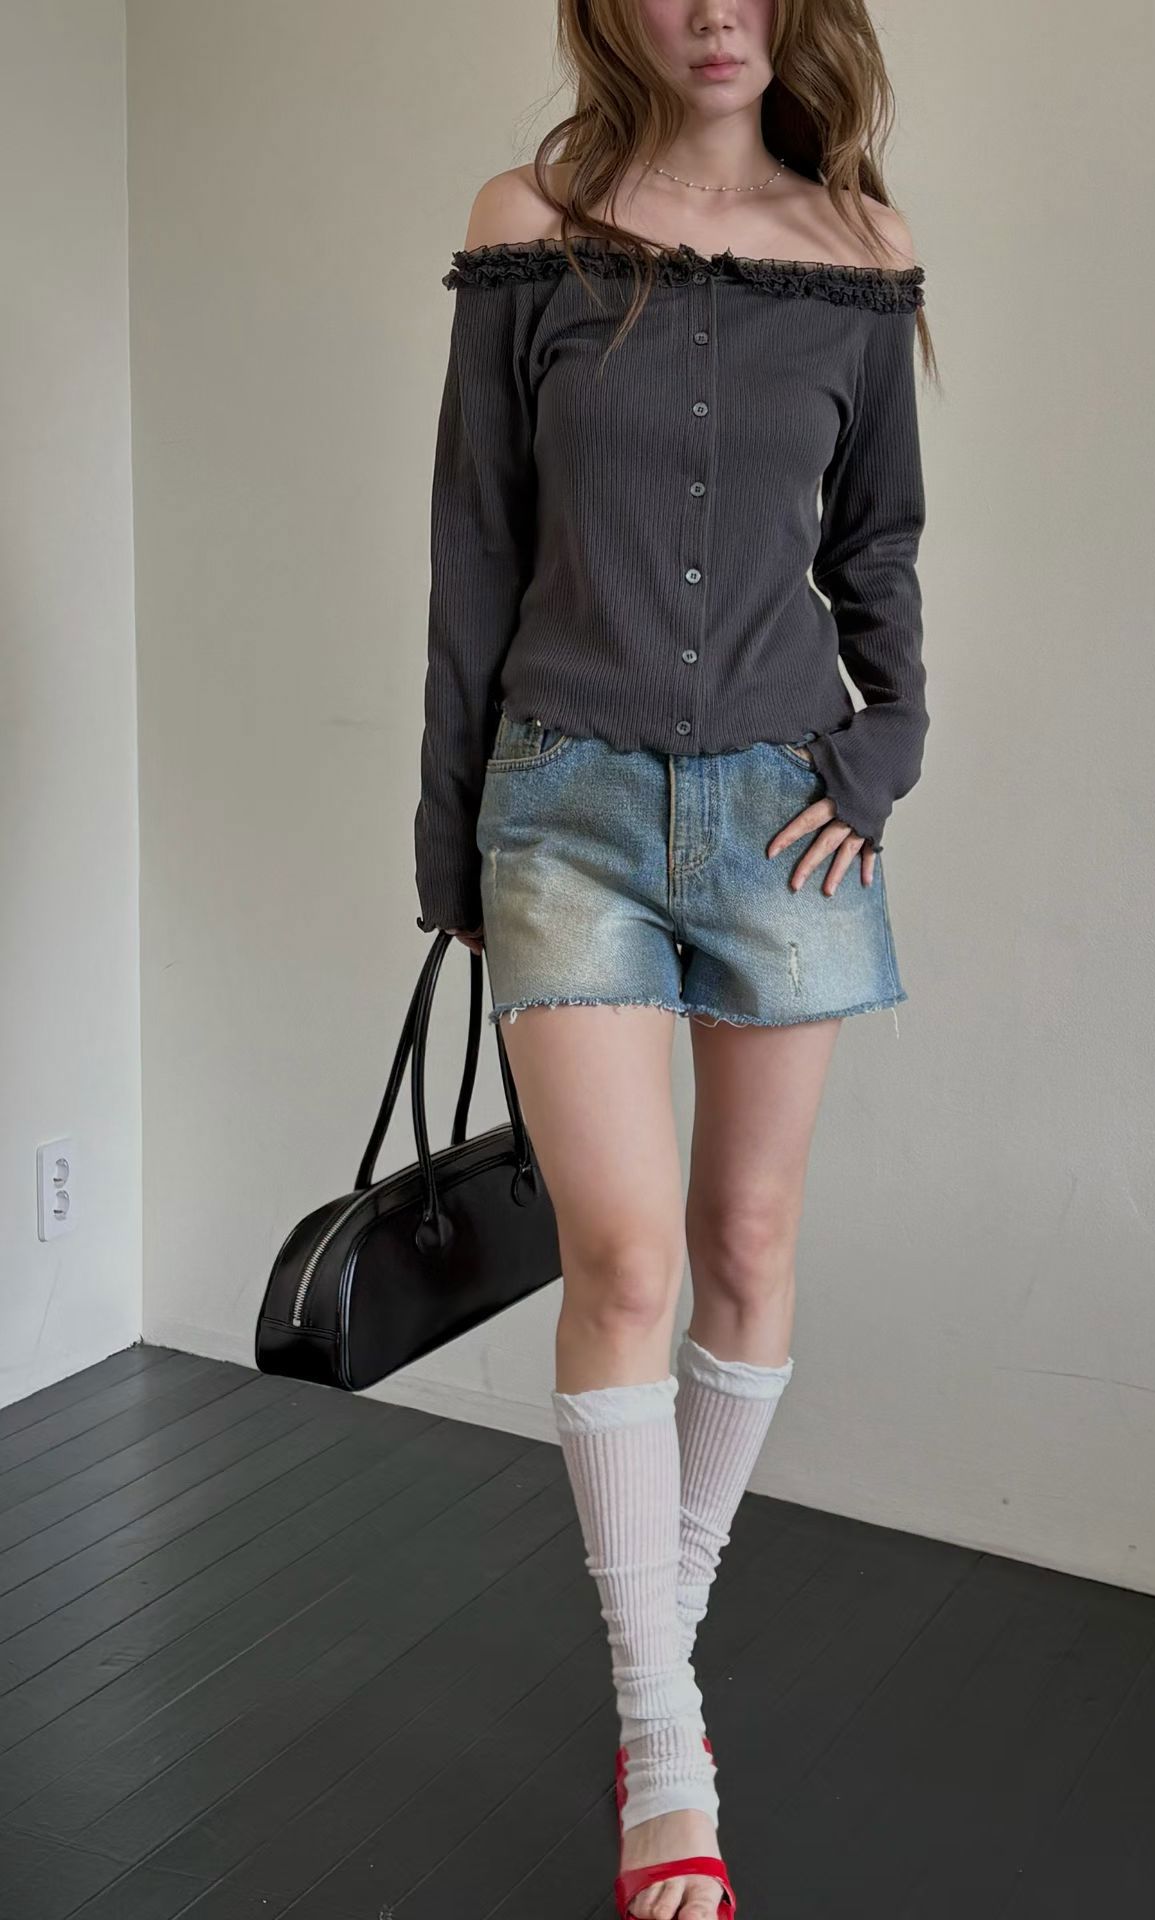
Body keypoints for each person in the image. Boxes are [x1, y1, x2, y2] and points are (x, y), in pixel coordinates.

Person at [412, 5, 932, 1913]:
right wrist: (450, 841)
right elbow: (477, 545)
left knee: (747, 1244)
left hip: (788, 812)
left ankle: (661, 1638)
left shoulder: (861, 251)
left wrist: (883, 751)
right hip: (564, 806)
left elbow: (879, 545)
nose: (716, 9)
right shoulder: (526, 226)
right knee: (624, 1260)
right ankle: (666, 1739)